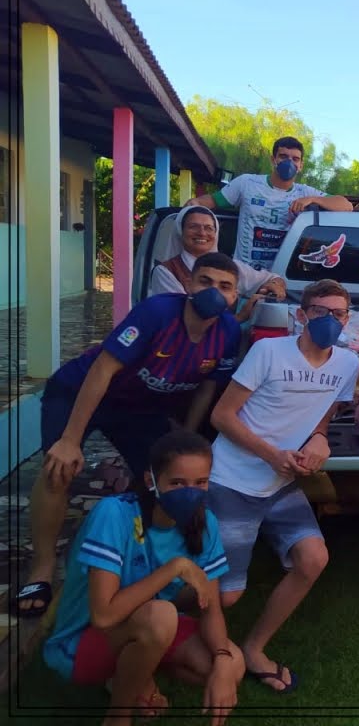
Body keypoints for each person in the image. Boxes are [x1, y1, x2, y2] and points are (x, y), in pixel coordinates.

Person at [14, 254, 242, 618]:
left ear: (235, 297)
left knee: (161, 476)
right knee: (59, 469)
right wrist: (70, 440)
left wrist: (186, 434)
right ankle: (41, 569)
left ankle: (135, 556)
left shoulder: (229, 332)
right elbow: (103, 370)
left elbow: (206, 388)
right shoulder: (157, 313)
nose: (214, 291)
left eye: (225, 286)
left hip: (140, 406)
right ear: (188, 284)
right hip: (80, 390)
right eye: (205, 281)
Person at [207, 279, 359, 693]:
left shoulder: (348, 363)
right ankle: (159, 615)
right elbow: (221, 416)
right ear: (302, 314)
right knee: (226, 596)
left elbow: (322, 417)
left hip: (280, 483)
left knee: (313, 559)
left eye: (339, 313)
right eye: (321, 311)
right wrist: (271, 454)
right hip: (233, 479)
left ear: (348, 319)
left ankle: (254, 649)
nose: (330, 320)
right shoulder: (268, 352)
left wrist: (320, 439)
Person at [42, 430, 245, 726]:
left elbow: (211, 607)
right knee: (161, 616)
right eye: (177, 483)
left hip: (146, 626)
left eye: (200, 482)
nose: (190, 492)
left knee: (233, 665)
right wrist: (175, 568)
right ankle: (119, 716)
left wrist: (223, 658)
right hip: (83, 641)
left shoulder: (206, 523)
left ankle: (135, 669)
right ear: (152, 481)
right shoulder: (115, 514)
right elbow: (103, 616)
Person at [186, 136, 353, 271]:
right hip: (244, 275)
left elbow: (346, 205)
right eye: (283, 156)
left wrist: (313, 199)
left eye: (295, 159)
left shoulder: (304, 192)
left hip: (282, 277)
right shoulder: (247, 183)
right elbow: (212, 201)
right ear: (273, 160)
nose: (289, 162)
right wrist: (194, 204)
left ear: (301, 165)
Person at [149, 204, 285, 323]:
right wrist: (241, 317)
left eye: (209, 228)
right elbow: (182, 322)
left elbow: (273, 278)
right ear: (180, 231)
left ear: (216, 233)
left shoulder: (230, 267)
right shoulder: (166, 271)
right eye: (193, 227)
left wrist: (273, 287)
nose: (202, 233)